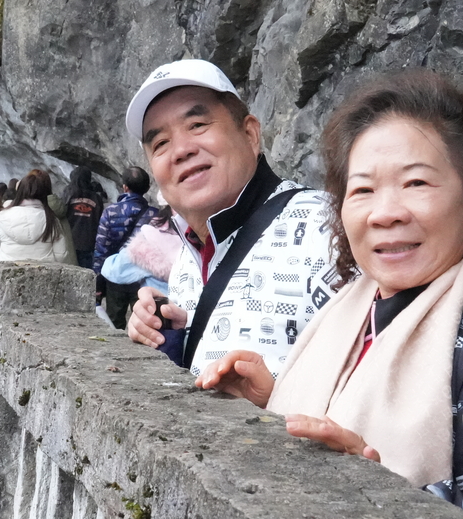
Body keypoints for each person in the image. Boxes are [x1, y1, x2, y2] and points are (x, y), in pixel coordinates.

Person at [196, 71, 463, 519]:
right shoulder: (347, 315)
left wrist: (375, 494)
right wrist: (273, 402)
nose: (385, 213)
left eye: (416, 183)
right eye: (363, 190)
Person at [121, 59, 337, 374]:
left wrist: (272, 394)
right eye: (161, 143)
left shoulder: (331, 227)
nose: (180, 150)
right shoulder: (187, 259)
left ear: (250, 134)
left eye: (197, 125)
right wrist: (166, 336)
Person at [98, 206, 185, 329]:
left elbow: (114, 271)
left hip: (159, 313)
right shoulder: (197, 240)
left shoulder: (150, 240)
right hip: (194, 315)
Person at [91, 167, 156, 324]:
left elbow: (101, 248)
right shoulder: (154, 215)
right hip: (142, 276)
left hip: (116, 274)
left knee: (114, 323)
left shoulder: (110, 212)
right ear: (147, 188)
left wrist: (98, 278)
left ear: (124, 187)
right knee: (143, 323)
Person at [0, 169, 74, 264]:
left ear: (20, 191)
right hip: (42, 270)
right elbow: (61, 255)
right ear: (45, 194)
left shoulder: (4, 215)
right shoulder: (51, 219)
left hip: (6, 269)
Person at [64, 166, 106, 270]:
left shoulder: (68, 194)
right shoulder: (96, 198)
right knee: (86, 272)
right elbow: (99, 219)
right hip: (88, 242)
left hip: (70, 241)